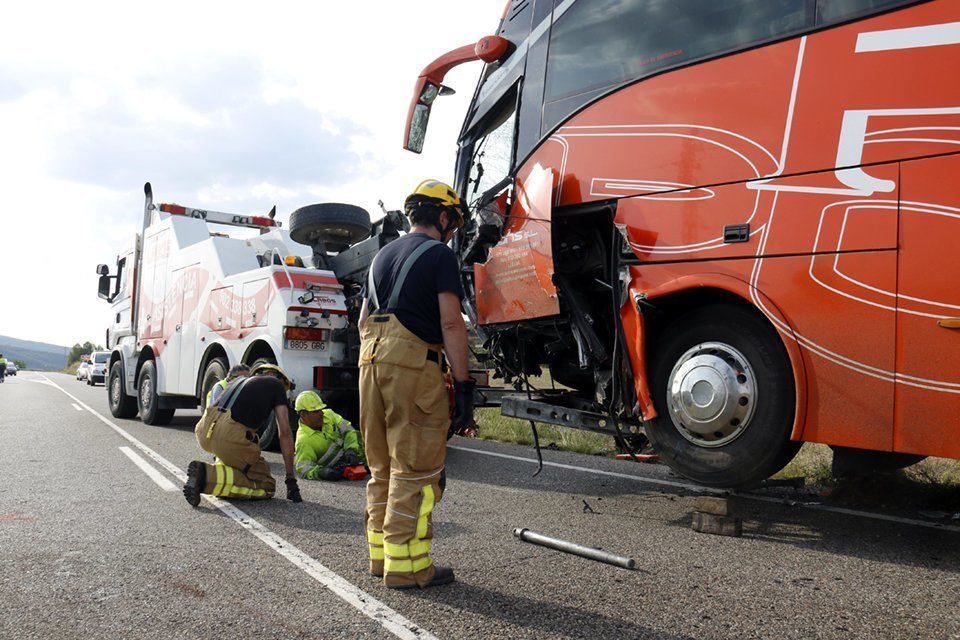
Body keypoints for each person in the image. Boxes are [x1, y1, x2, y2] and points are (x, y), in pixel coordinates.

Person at [358, 179, 476, 590]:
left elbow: (361, 324)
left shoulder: (379, 258)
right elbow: (450, 323)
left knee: (382, 468)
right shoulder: (440, 255)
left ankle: (381, 558)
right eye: (454, 225)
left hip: (369, 362)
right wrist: (463, 387)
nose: (453, 234)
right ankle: (408, 567)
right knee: (415, 470)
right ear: (443, 218)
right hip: (412, 365)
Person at [183, 363, 302, 505]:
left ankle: (220, 475)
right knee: (267, 485)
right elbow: (285, 433)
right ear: (278, 378)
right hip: (229, 437)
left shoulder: (236, 382)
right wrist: (290, 479)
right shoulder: (276, 384)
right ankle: (206, 475)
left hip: (204, 431)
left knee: (237, 461)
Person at [293, 390, 366, 481]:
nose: (322, 413)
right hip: (348, 468)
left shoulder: (329, 414)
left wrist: (351, 449)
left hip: (364, 454)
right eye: (316, 411)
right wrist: (322, 473)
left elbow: (348, 430)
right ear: (303, 415)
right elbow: (304, 469)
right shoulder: (303, 441)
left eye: (321, 409)